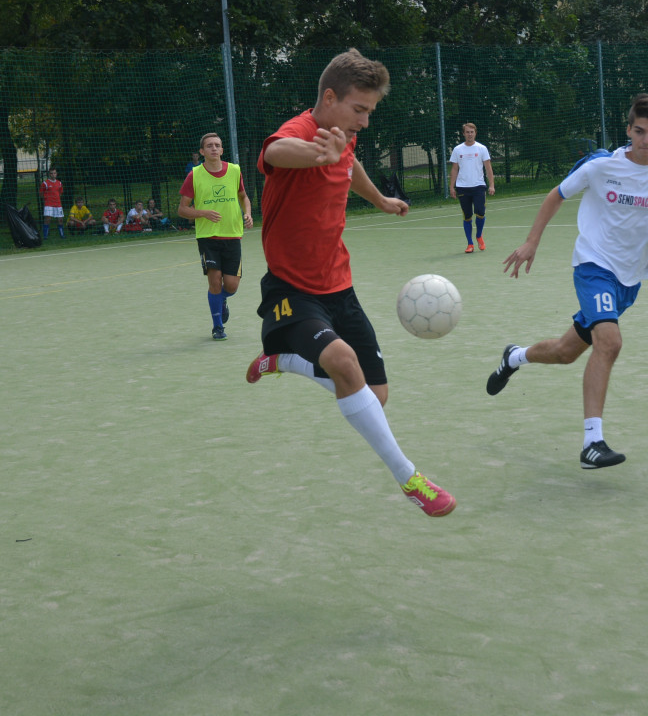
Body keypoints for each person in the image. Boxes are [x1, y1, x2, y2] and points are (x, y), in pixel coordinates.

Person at [245, 48, 456, 517]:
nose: (364, 121)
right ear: (329, 97)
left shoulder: (345, 138)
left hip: (338, 283)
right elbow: (275, 151)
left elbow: (349, 166)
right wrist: (319, 150)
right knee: (343, 363)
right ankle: (411, 479)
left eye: (369, 112)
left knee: (373, 397)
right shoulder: (302, 133)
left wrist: (380, 198)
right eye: (359, 109)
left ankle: (282, 362)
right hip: (290, 290)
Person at [485, 93, 648, 469]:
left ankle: (515, 357)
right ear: (628, 129)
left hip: (630, 279)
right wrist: (531, 241)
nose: (645, 140)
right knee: (610, 341)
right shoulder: (600, 165)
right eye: (639, 131)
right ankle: (593, 443)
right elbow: (556, 195)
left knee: (565, 351)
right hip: (593, 266)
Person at [177, 133, 253, 341]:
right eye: (209, 146)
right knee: (215, 281)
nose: (213, 148)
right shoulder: (194, 175)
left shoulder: (235, 171)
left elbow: (243, 197)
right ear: (202, 152)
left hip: (232, 235)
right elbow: (182, 209)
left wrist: (248, 213)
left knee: (231, 286)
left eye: (217, 145)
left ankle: (221, 300)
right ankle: (217, 327)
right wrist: (203, 213)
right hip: (208, 237)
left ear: (221, 150)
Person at [449, 122, 495, 253]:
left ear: (475, 133)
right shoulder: (458, 150)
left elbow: (488, 168)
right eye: (467, 132)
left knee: (480, 212)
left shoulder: (482, 148)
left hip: (479, 187)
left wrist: (491, 185)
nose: (469, 134)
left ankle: (479, 236)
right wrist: (452, 187)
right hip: (463, 188)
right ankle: (470, 244)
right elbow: (454, 169)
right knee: (467, 216)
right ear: (463, 134)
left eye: (472, 132)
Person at [40, 167, 64, 239]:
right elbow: (41, 193)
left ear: (56, 174)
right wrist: (46, 199)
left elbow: (60, 192)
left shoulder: (59, 183)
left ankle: (62, 235)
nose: (53, 175)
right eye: (51, 173)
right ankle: (45, 236)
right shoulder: (45, 183)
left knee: (60, 219)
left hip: (58, 204)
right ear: (49, 174)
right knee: (47, 219)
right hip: (49, 204)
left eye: (54, 173)